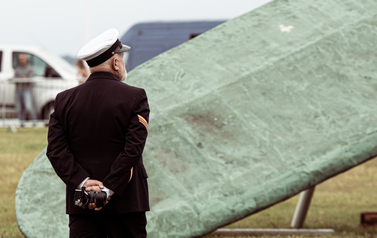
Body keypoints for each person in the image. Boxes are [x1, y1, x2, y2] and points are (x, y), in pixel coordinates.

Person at [46, 28, 150, 238]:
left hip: (82, 204)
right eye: (122, 57)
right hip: (126, 203)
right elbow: (133, 150)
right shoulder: (135, 97)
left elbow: (56, 151)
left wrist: (83, 182)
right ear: (115, 63)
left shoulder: (64, 100)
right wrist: (108, 189)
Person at [14, 53, 37, 127]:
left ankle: (34, 123)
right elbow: (15, 78)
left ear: (26, 59)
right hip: (18, 91)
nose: (21, 60)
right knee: (19, 108)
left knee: (29, 107)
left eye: (23, 59)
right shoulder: (17, 68)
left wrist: (24, 78)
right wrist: (23, 78)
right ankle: (21, 123)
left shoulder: (30, 68)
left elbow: (30, 78)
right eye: (20, 59)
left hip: (27, 91)